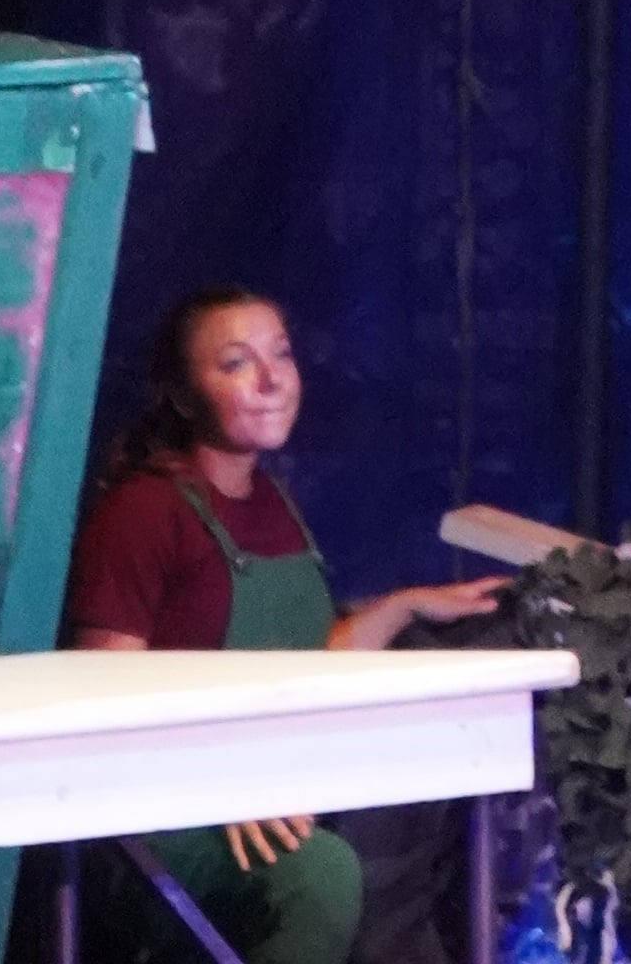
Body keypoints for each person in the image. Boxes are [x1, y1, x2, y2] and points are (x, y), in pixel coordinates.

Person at [67, 285, 503, 964]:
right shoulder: (144, 512)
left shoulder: (274, 500)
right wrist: (220, 789)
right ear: (183, 394)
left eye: (282, 354)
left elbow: (309, 658)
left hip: (268, 796)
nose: (271, 380)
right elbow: (97, 700)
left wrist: (404, 606)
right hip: (161, 821)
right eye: (237, 363)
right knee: (318, 874)